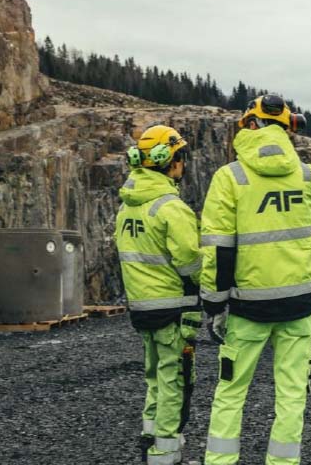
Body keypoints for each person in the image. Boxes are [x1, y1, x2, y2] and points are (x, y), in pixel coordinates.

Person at [200, 95, 311, 465]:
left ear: (250, 125)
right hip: (299, 306)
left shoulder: (230, 177)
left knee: (231, 392)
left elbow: (217, 249)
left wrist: (214, 305)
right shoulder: (305, 174)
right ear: (286, 128)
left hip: (248, 309)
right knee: (292, 394)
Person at [115, 125, 203, 465]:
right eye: (181, 157)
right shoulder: (170, 208)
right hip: (172, 309)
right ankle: (165, 455)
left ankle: (150, 438)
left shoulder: (128, 207)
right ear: (171, 161)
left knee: (154, 377)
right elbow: (190, 262)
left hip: (142, 308)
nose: (184, 163)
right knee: (175, 381)